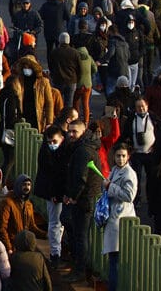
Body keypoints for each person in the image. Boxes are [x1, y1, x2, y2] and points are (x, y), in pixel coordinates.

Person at [63, 118, 103, 283]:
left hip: (83, 200)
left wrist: (72, 197)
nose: (71, 134)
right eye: (69, 131)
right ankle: (78, 266)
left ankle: (80, 269)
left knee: (80, 236)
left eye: (74, 132)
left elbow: (80, 178)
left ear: (82, 132)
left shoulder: (82, 151)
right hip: (84, 198)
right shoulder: (82, 148)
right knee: (74, 229)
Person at [103, 142, 138, 291]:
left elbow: (129, 196)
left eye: (123, 156)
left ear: (128, 156)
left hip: (121, 218)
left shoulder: (129, 173)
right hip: (114, 218)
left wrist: (110, 187)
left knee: (116, 260)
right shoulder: (115, 170)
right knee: (113, 259)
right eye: (118, 156)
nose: (121, 159)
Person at [33, 126, 68, 269]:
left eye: (54, 141)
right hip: (54, 193)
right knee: (55, 223)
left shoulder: (64, 151)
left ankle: (57, 251)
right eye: (49, 142)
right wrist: (53, 193)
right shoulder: (47, 153)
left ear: (62, 139)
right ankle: (55, 254)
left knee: (60, 223)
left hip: (60, 192)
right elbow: (49, 174)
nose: (51, 144)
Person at [0, 175, 45, 255]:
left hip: (23, 247)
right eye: (24, 184)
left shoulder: (29, 205)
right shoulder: (7, 203)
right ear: (18, 185)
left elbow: (32, 226)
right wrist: (9, 248)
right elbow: (1, 228)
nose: (27, 187)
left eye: (29, 185)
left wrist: (46, 235)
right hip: (12, 247)